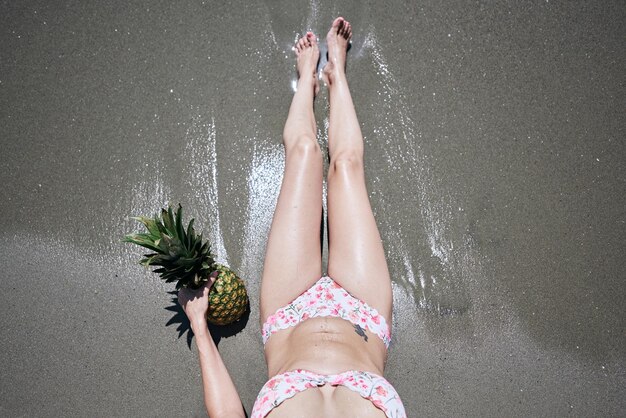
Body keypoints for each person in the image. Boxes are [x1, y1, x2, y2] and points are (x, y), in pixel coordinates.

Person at [178, 17, 407, 418]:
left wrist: (200, 326)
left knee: (304, 154)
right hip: (363, 313)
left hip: (289, 312)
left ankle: (307, 80)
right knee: (347, 167)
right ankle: (336, 72)